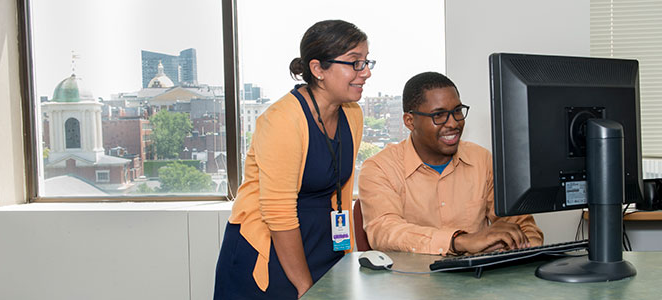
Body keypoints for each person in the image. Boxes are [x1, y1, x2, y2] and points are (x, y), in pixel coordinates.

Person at [214, 20, 372, 299]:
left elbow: (341, 192)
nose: (366, 72)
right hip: (272, 253)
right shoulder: (282, 120)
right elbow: (278, 212)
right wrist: (304, 285)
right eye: (355, 62)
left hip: (323, 247)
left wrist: (344, 253)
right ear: (317, 69)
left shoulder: (352, 114)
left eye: (367, 61)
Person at [358, 72, 543, 256]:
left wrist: (513, 247)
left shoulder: (482, 160)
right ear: (409, 121)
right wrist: (459, 241)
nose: (453, 123)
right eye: (439, 115)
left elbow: (524, 226)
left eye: (457, 111)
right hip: (412, 282)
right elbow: (385, 232)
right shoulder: (379, 168)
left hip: (477, 281)